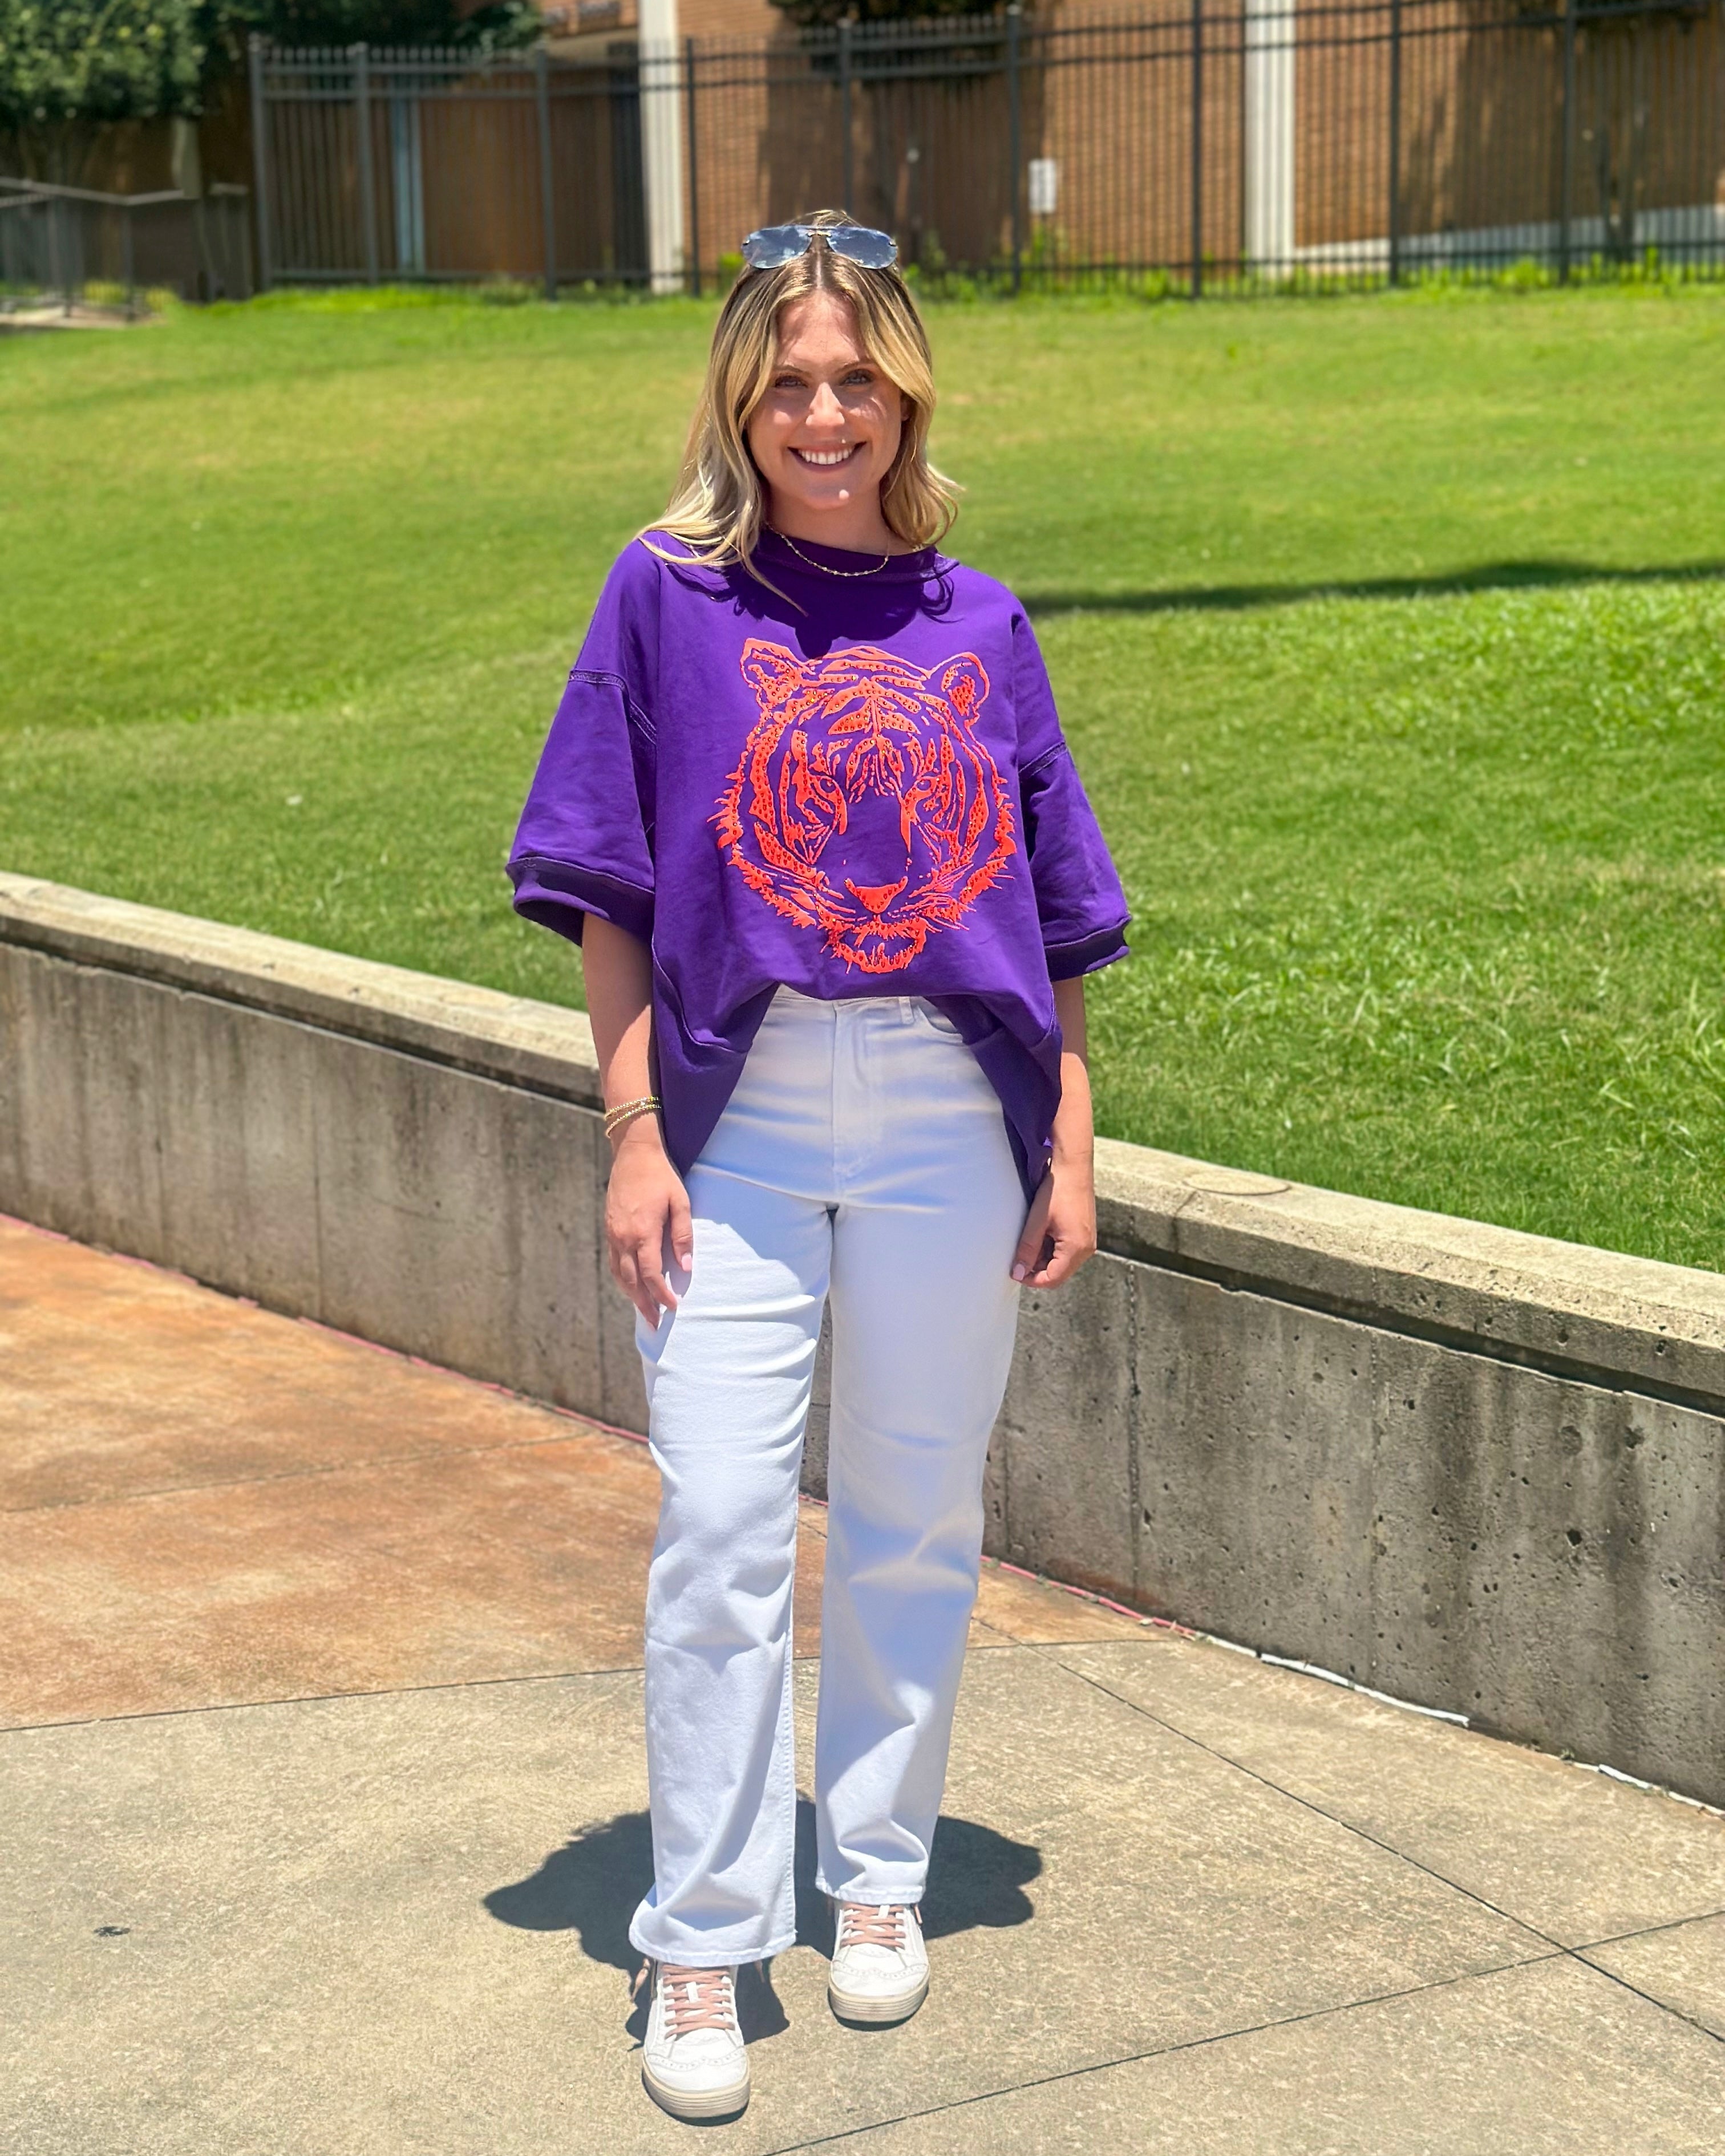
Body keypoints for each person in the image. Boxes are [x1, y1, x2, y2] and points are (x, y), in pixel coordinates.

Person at [508, 210, 1129, 2125]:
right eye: (790, 383)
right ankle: (700, 1934)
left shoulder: (981, 621)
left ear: (908, 394)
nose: (826, 415)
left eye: (859, 379)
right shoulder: (664, 597)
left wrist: (1070, 1132)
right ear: (738, 401)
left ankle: (874, 1871)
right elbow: (608, 890)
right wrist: (633, 1132)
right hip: (738, 1108)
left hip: (953, 1108)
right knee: (717, 1522)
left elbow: (1056, 916)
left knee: (915, 1516)